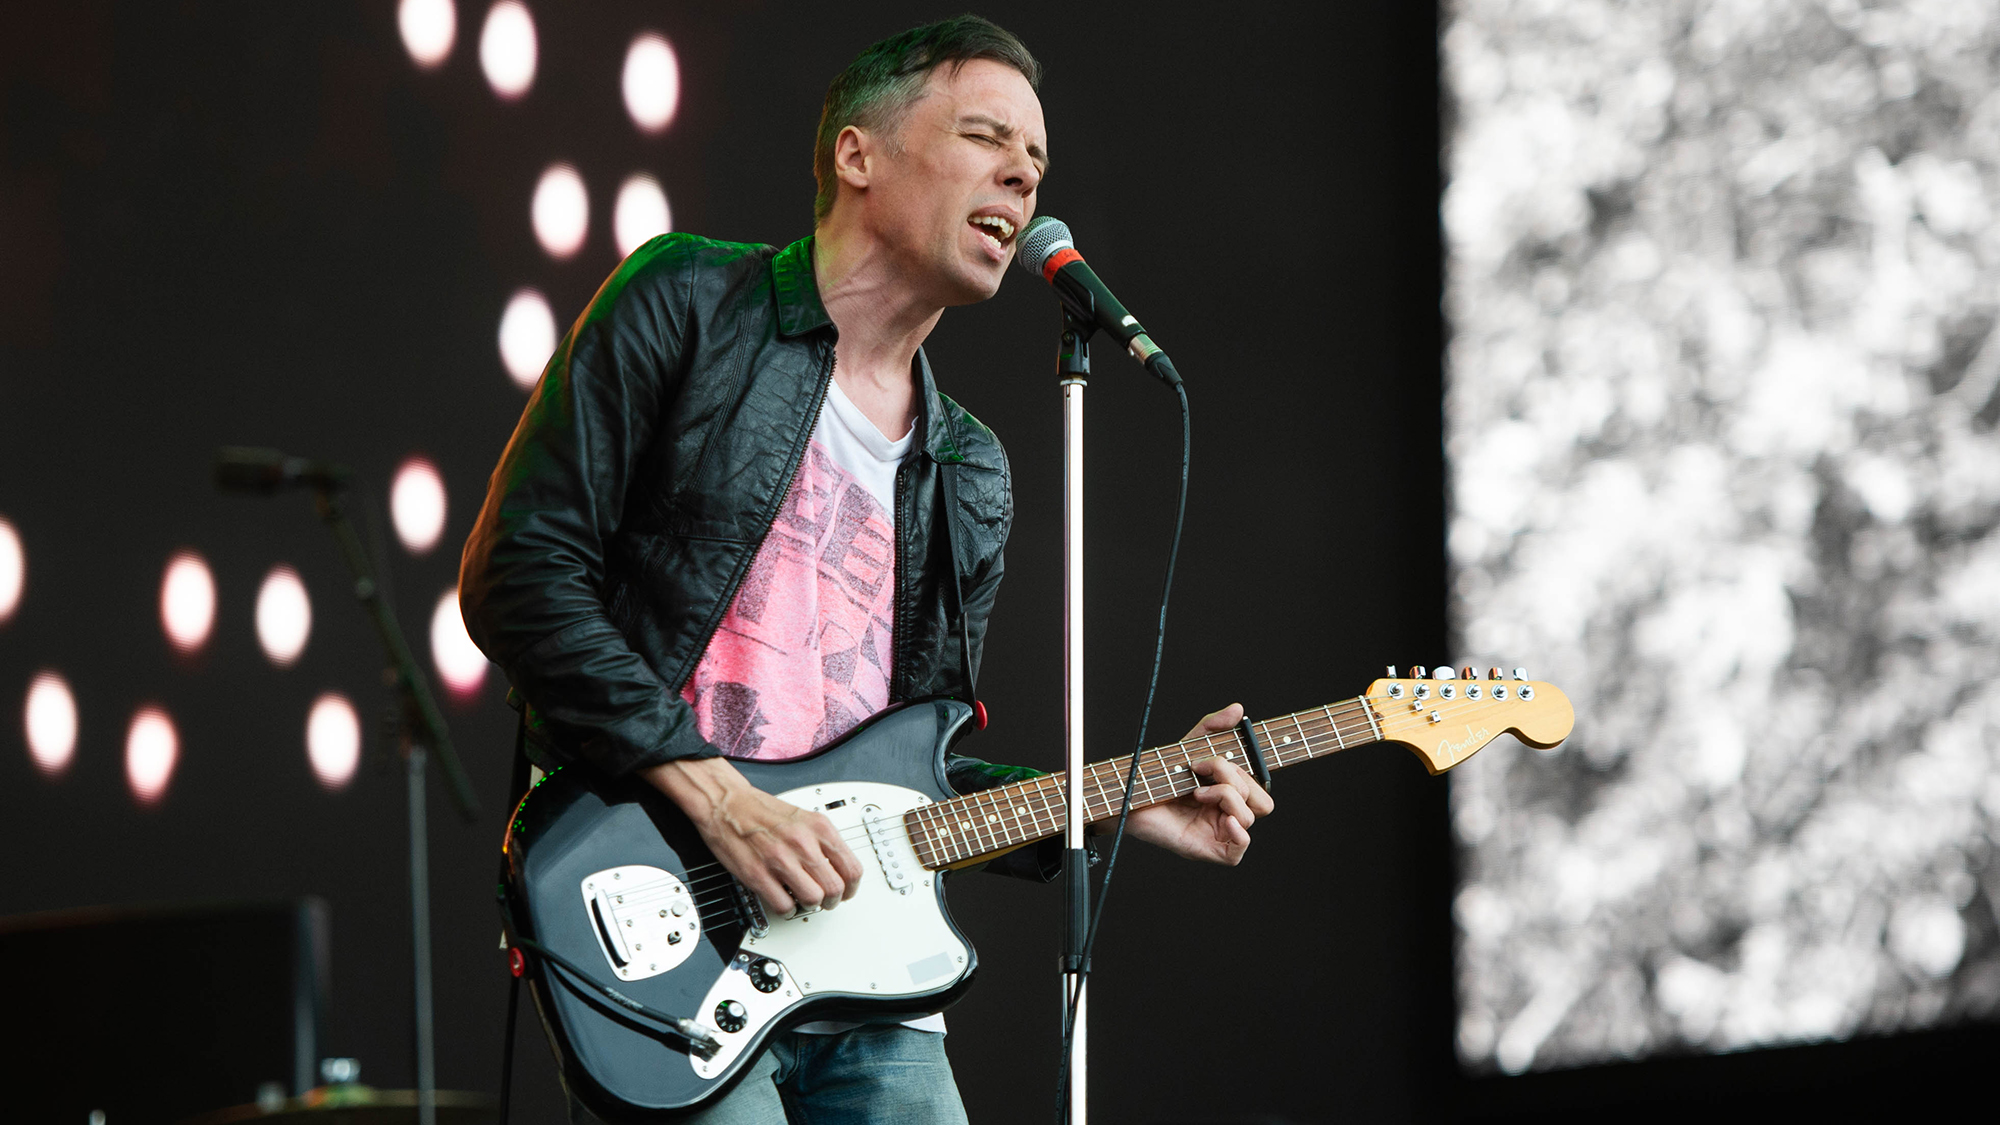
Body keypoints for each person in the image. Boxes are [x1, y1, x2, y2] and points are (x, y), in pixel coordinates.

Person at [460, 15, 1273, 1123]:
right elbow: (517, 576)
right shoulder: (688, 303)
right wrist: (722, 799)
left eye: (1033, 164)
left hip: (867, 978)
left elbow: (912, 782)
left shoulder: (966, 467)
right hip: (664, 915)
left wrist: (1122, 800)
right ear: (857, 155)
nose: (1021, 178)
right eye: (986, 139)